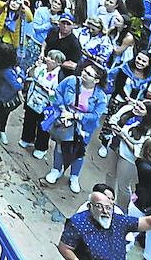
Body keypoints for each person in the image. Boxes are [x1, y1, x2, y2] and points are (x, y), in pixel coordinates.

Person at [43, 61, 109, 193]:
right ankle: (56, 169)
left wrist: (77, 116)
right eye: (85, 71)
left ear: (96, 80)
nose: (84, 74)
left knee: (78, 152)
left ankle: (74, 176)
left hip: (83, 127)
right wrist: (62, 110)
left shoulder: (100, 96)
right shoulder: (71, 81)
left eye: (89, 74)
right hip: (65, 120)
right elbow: (58, 93)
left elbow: (96, 115)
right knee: (61, 146)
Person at [57, 186, 151, 260]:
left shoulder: (119, 220)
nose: (105, 211)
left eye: (108, 207)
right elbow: (64, 247)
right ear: (89, 206)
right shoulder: (78, 222)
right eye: (99, 206)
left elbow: (149, 222)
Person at [0, 44, 24, 147]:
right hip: (1, 99)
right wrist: (21, 78)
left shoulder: (3, 68)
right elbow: (17, 86)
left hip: (2, 96)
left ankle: (2, 130)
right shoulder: (6, 72)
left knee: (5, 115)